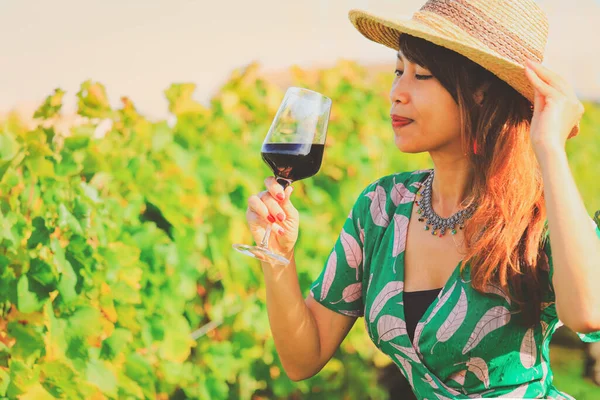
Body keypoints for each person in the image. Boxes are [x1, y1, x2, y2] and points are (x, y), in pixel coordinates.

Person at [244, 0, 600, 398]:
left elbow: (588, 314)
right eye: (399, 71)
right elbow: (302, 358)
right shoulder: (381, 207)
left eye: (421, 75)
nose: (397, 92)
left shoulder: (540, 214)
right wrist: (278, 255)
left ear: (481, 92)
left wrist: (549, 147)